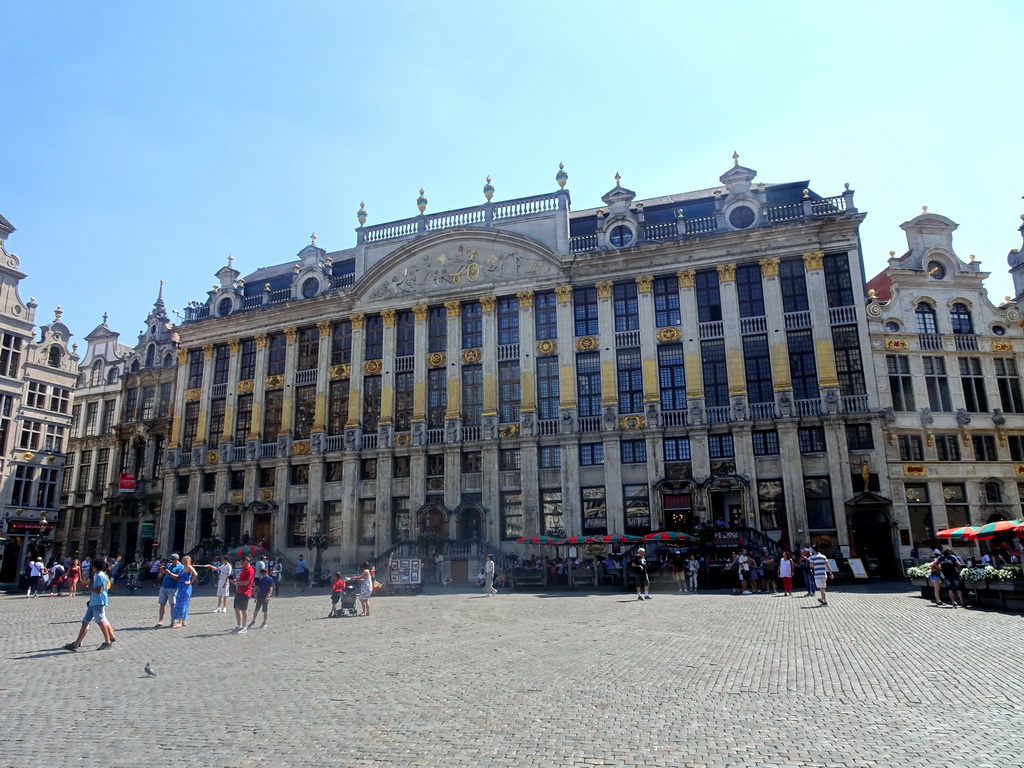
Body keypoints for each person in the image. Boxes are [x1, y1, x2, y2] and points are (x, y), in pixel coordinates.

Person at [64, 558, 116, 652]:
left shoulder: (100, 575)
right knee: (85, 621)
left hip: (99, 601)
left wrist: (87, 587)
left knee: (101, 621)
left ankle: (107, 642)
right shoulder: (97, 574)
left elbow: (99, 590)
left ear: (95, 566)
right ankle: (76, 643)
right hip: (94, 601)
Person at [156, 554, 184, 627]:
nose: (172, 562)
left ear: (177, 560)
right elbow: (162, 574)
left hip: (173, 587)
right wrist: (162, 571)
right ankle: (160, 620)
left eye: (173, 560)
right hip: (164, 586)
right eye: (171, 560)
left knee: (173, 605)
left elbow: (179, 578)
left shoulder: (181, 567)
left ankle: (173, 621)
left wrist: (169, 573)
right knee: (162, 604)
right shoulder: (168, 565)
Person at [170, 555, 199, 627]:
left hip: (185, 587)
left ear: (189, 561)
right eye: (184, 561)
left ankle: (180, 622)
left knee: (182, 603)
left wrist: (190, 582)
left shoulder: (189, 567)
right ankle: (183, 620)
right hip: (181, 586)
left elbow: (195, 574)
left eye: (186, 561)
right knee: (182, 602)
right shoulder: (183, 568)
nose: (185, 562)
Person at [230, 556, 255, 633]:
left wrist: (236, 582)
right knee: (237, 608)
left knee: (244, 609)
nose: (241, 564)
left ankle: (244, 627)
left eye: (242, 562)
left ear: (246, 562)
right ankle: (239, 625)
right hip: (239, 591)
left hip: (245, 591)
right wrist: (235, 580)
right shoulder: (244, 569)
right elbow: (241, 580)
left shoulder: (250, 570)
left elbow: (247, 582)